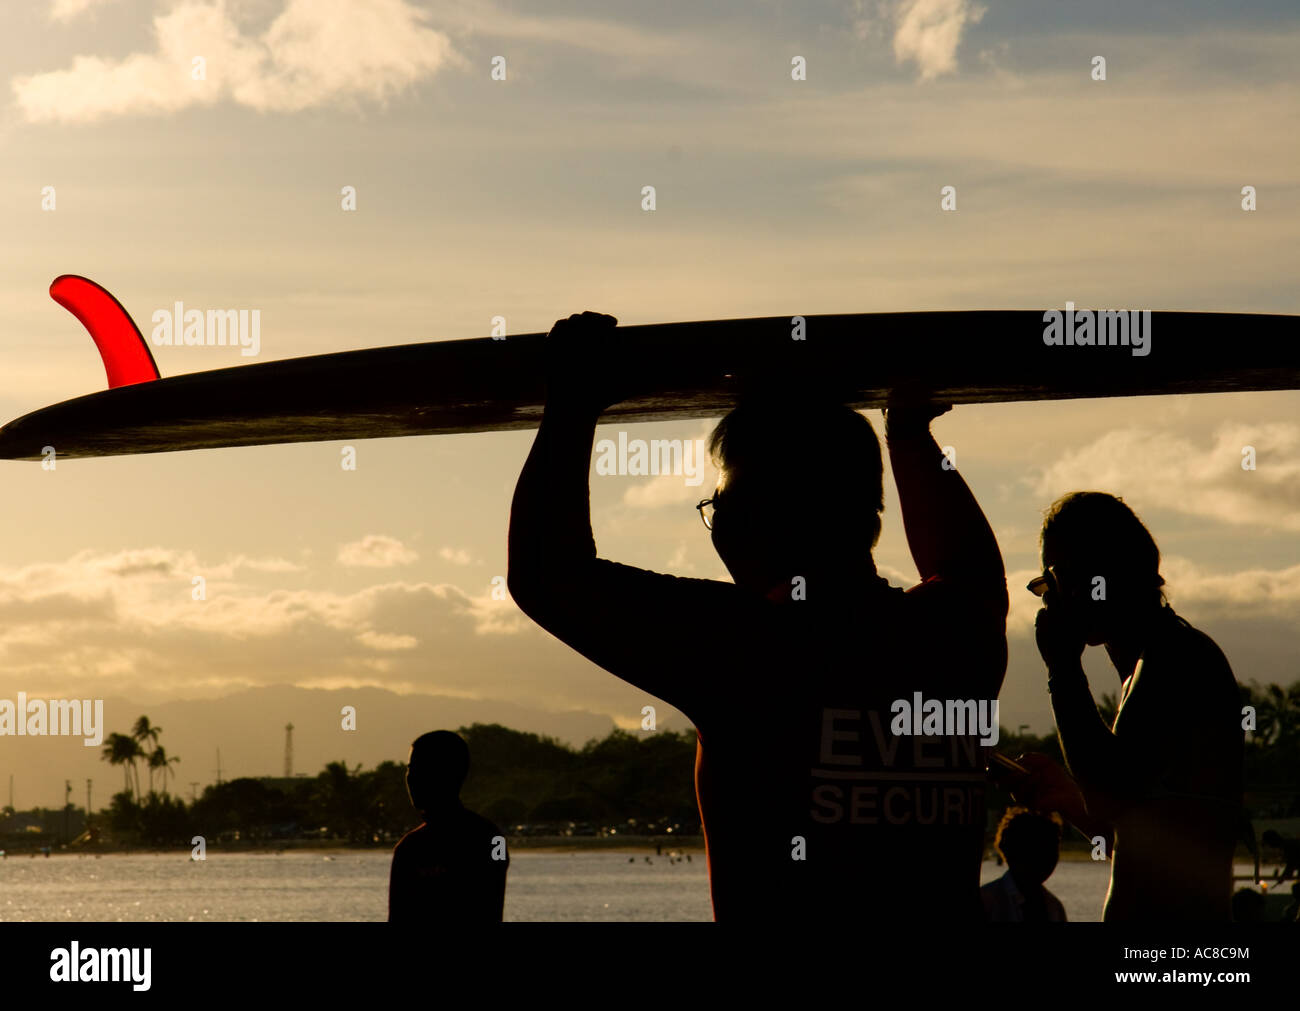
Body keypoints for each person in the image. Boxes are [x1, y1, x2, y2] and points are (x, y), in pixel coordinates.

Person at [508, 311, 1008, 921]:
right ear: (867, 514)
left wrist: (574, 403)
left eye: (722, 503)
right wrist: (908, 434)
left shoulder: (747, 645)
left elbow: (545, 574)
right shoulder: (958, 635)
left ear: (757, 520)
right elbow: (967, 565)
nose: (718, 523)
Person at [1015, 492, 1243, 921]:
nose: (1049, 599)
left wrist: (1062, 669)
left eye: (1051, 582)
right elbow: (1141, 830)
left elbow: (1109, 792)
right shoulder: (1165, 658)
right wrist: (1065, 796)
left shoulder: (1174, 660)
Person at [387, 730, 508, 922]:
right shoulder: (408, 849)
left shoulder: (492, 840)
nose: (411, 778)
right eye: (410, 768)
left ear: (450, 774)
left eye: (422, 769)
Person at [981, 808, 1067, 922]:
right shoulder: (987, 901)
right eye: (1035, 849)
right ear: (1011, 850)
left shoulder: (1054, 907)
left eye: (1052, 849)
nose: (1046, 859)